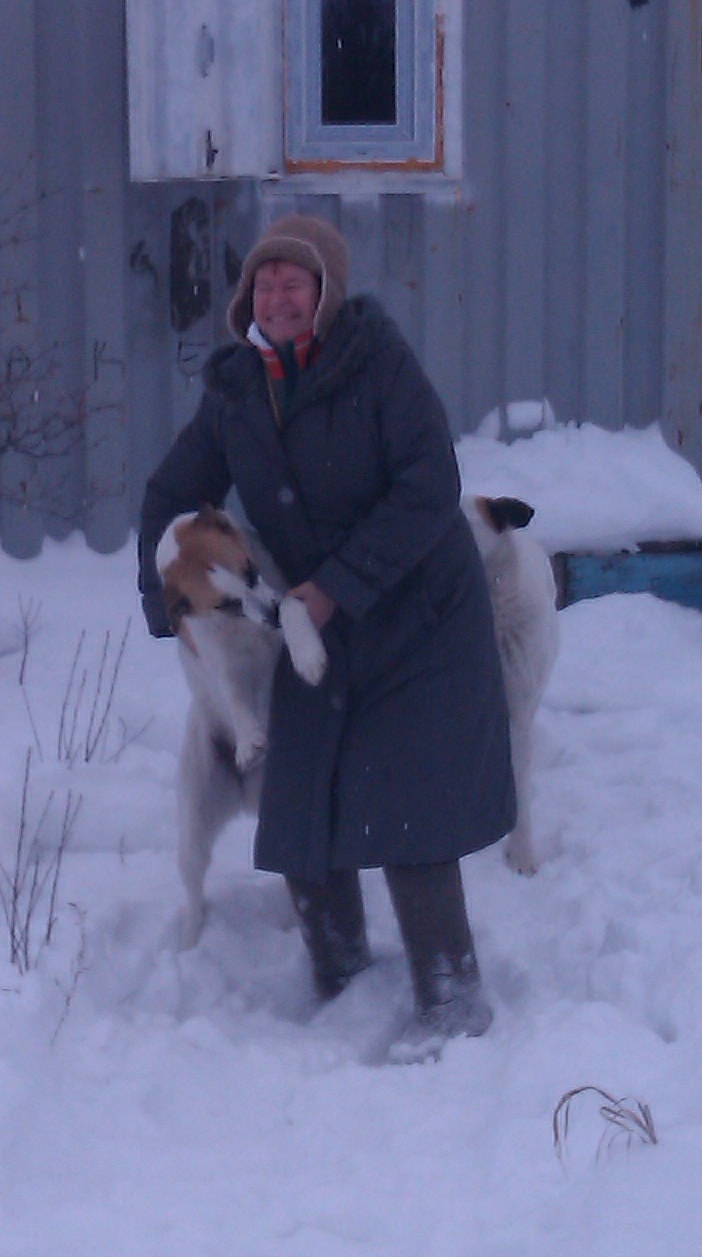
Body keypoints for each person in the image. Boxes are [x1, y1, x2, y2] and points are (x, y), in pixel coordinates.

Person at [138, 212, 516, 1054]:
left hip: (415, 606)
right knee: (299, 793)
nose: (276, 297)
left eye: (294, 284)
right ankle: (342, 975)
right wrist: (165, 590)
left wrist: (337, 587)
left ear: (327, 296)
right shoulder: (237, 386)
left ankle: (453, 999)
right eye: (263, 284)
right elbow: (171, 492)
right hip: (314, 620)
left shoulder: (378, 364)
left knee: (412, 810)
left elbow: (428, 487)